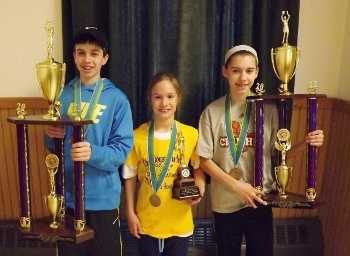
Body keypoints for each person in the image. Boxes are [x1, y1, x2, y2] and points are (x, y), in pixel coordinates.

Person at [197, 44, 324, 256]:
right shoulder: (212, 112)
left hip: (260, 199)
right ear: (225, 71)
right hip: (226, 202)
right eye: (236, 70)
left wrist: (306, 143)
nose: (242, 77)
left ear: (256, 72)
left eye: (248, 71)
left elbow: (279, 155)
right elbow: (204, 160)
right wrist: (237, 186)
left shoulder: (269, 109)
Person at [45, 26, 133, 256]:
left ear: (104, 58)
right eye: (81, 52)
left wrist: (92, 153)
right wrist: (50, 136)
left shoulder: (117, 99)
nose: (87, 59)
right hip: (68, 199)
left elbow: (122, 150)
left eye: (94, 53)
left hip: (102, 200)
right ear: (73, 56)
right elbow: (53, 151)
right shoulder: (61, 95)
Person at [123, 72, 206, 256]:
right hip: (146, 220)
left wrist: (199, 188)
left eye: (170, 96)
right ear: (150, 99)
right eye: (158, 97)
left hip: (179, 220)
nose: (164, 103)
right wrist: (130, 212)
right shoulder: (137, 137)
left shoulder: (190, 134)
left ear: (178, 99)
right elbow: (129, 177)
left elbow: (199, 168)